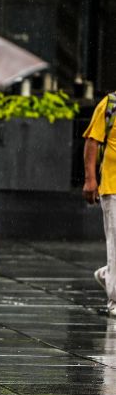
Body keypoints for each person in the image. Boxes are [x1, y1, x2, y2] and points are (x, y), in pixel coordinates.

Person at [83, 93, 116, 316]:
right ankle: (115, 302)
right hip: (113, 186)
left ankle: (108, 274)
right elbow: (92, 141)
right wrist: (90, 179)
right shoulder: (111, 104)